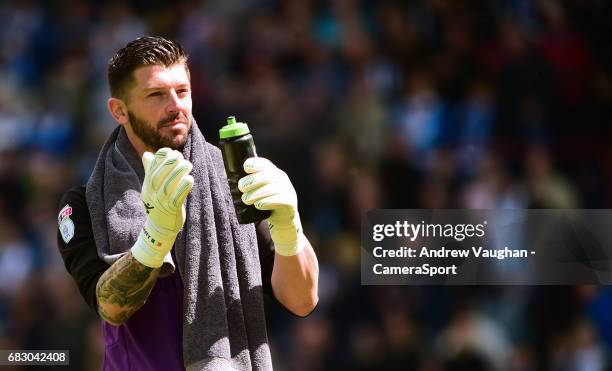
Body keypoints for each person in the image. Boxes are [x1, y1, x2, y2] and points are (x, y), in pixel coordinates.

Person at [56, 36, 319, 371]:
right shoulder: (83, 205)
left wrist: (289, 227)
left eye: (182, 91)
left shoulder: (234, 181)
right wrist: (155, 237)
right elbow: (110, 306)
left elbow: (302, 301)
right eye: (156, 94)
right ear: (118, 110)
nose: (175, 105)